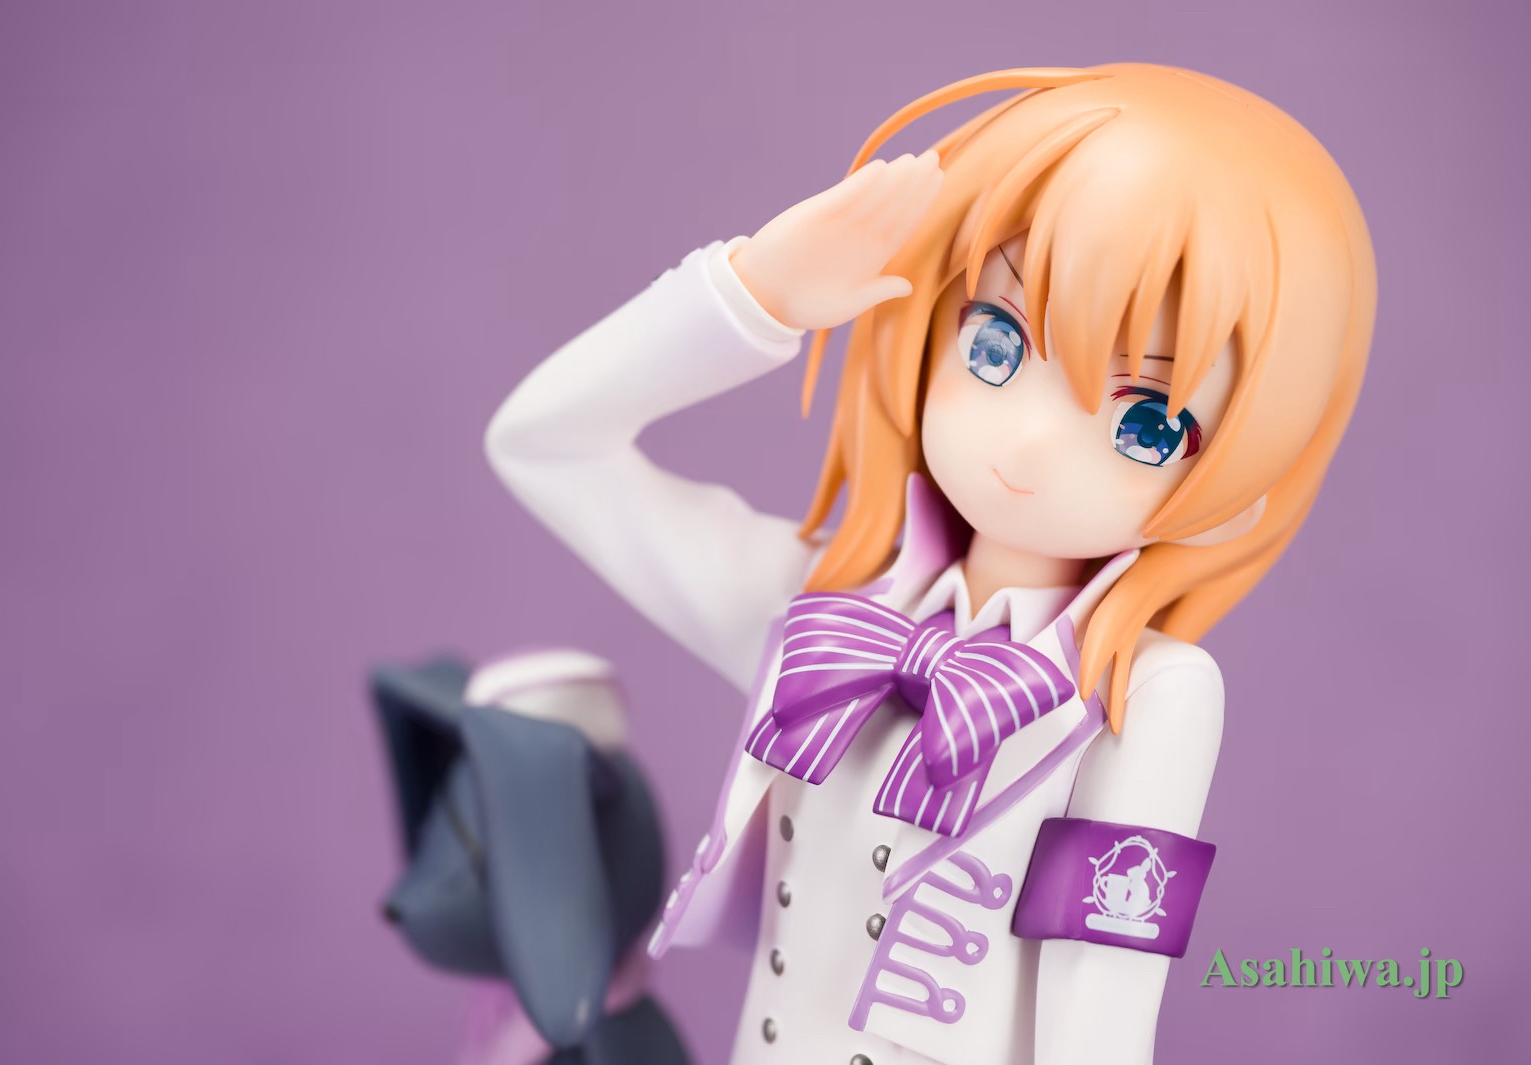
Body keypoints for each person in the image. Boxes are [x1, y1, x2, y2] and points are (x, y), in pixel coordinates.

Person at [484, 63, 1375, 1065]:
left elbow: (1103, 984)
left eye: (1148, 424)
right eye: (996, 344)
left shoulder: (1142, 692)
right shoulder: (815, 607)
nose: (1029, 442)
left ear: (1245, 480)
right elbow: (542, 446)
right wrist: (752, 296)